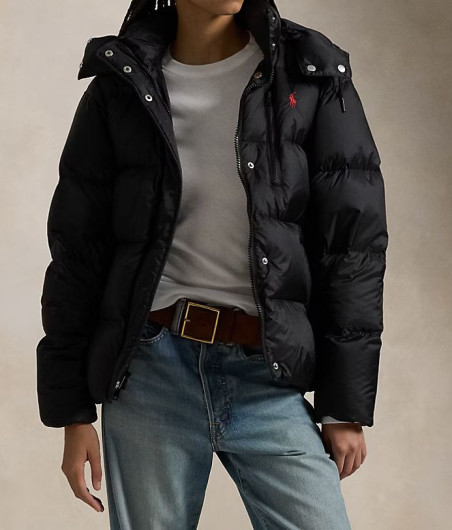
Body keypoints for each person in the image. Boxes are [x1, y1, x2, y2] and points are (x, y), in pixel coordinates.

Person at [36, 0, 388, 528]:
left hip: (266, 371)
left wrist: (344, 405)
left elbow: (352, 247)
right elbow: (77, 250)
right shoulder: (121, 84)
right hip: (151, 371)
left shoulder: (309, 73)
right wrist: (72, 411)